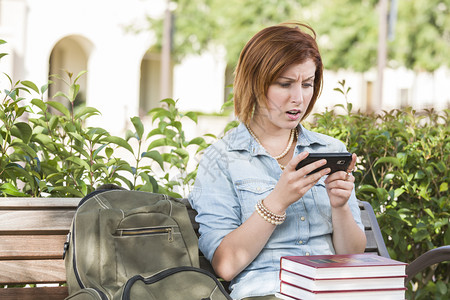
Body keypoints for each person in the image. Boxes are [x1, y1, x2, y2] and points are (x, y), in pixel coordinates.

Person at [188, 22, 367, 300]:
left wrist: (340, 206)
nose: (299, 98)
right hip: (267, 292)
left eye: (307, 84)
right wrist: (277, 201)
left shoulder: (329, 148)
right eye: (285, 84)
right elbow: (226, 265)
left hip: (335, 290)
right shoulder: (221, 160)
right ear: (255, 84)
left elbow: (351, 255)